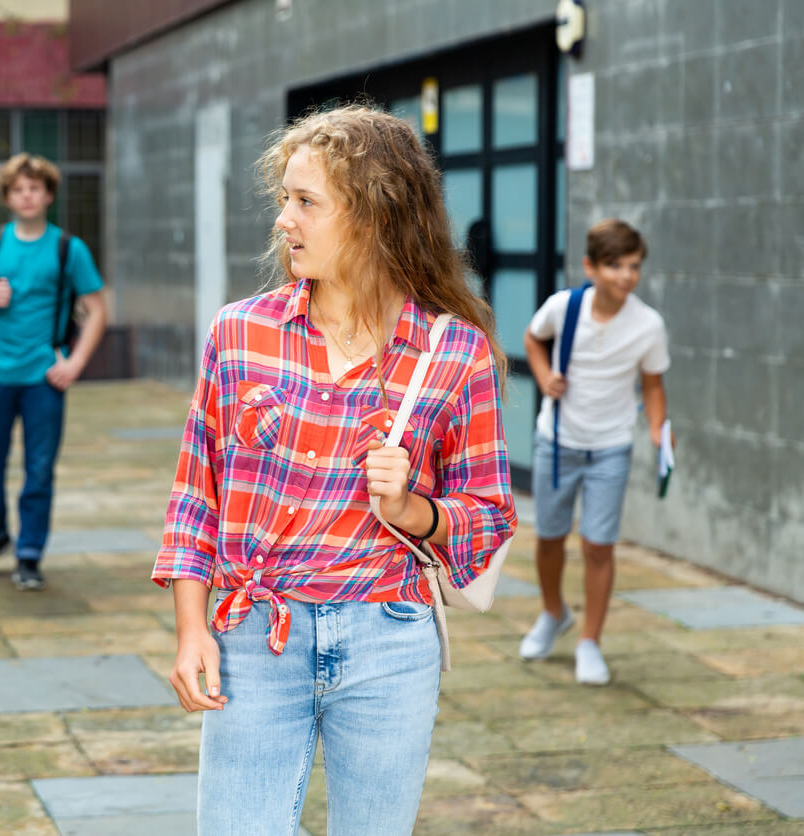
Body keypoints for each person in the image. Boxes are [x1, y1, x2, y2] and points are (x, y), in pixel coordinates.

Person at [153, 105, 516, 835]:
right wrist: (192, 629)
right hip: (256, 635)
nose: (284, 220)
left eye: (306, 202)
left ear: (376, 215)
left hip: (391, 638)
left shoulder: (454, 352)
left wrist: (418, 511)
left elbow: (490, 511)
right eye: (284, 199)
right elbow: (197, 494)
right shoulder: (239, 332)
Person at [518, 219, 669, 685]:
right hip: (557, 442)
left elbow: (653, 384)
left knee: (598, 545)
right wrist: (545, 378)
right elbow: (532, 339)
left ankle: (590, 642)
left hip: (610, 448)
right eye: (615, 266)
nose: (626, 276)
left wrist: (660, 430)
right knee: (548, 536)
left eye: (634, 266)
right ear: (591, 266)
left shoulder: (647, 325)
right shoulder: (565, 307)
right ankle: (552, 613)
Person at [0, 153, 107, 590]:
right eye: (19, 189)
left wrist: (75, 363)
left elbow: (97, 310)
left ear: (48, 195)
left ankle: (29, 553)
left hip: (44, 377)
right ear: (8, 196)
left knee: (39, 470)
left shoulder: (67, 248)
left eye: (35, 188)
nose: (27, 195)